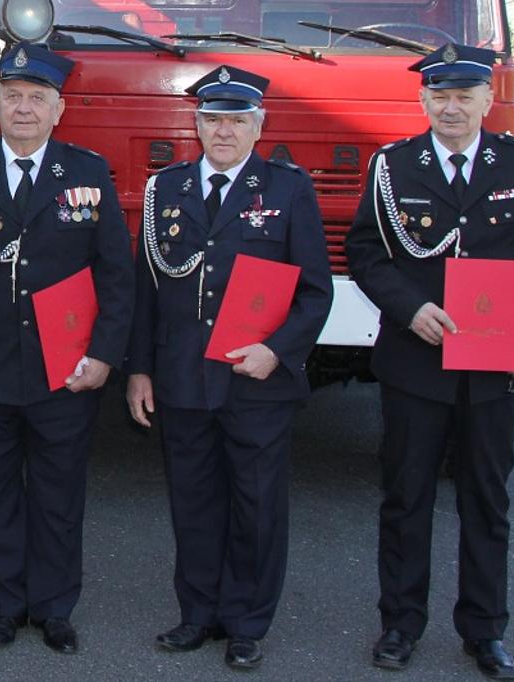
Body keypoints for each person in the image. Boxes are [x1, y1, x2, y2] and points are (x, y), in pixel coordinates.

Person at [344, 44, 514, 680]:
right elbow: (366, 253)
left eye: (464, 96)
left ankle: (484, 631)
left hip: (494, 368)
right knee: (406, 498)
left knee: (486, 503)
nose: (451, 108)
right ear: (423, 101)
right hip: (415, 365)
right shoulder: (393, 166)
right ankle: (400, 625)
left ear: (487, 101)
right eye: (439, 96)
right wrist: (409, 308)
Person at [0, 43, 136, 654]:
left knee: (60, 495)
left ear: (59, 109)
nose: (25, 108)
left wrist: (105, 355)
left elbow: (116, 275)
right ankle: (5, 607)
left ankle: (55, 609)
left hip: (66, 368)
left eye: (38, 98)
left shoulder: (86, 174)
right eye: (13, 96)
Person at [123, 66, 332, 670]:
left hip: (256, 379)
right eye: (213, 119)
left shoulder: (288, 190)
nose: (223, 131)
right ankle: (197, 614)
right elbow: (146, 289)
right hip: (183, 376)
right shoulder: (167, 189)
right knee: (193, 502)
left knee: (257, 505)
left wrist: (278, 350)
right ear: (196, 125)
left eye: (237, 120)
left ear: (258, 127)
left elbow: (315, 291)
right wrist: (140, 370)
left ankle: (246, 623)